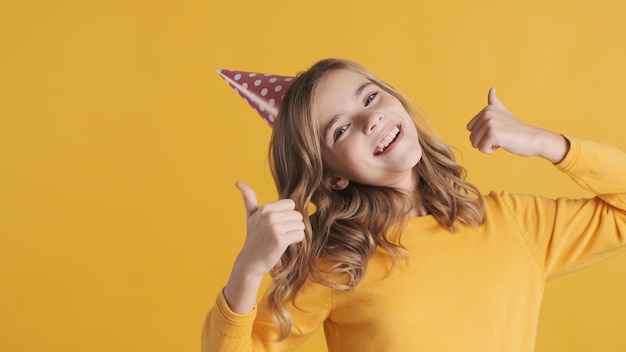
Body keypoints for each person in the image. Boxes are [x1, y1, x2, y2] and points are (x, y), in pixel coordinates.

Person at [203, 58, 626, 351]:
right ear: (333, 176)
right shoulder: (336, 269)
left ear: (395, 100)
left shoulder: (514, 224)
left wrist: (546, 143)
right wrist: (248, 269)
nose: (371, 120)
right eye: (342, 129)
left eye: (369, 98)